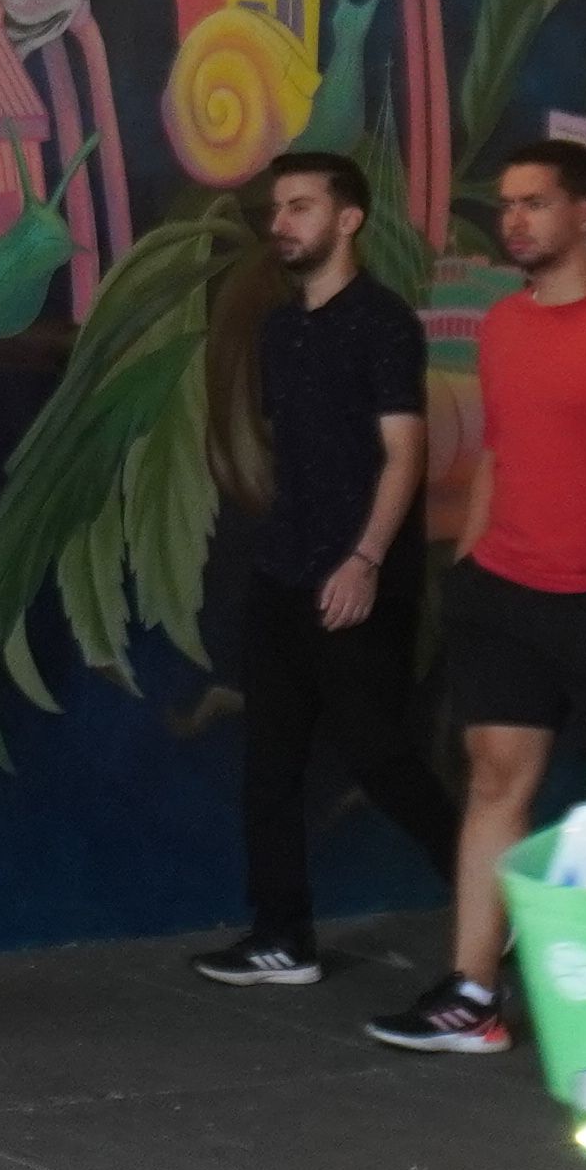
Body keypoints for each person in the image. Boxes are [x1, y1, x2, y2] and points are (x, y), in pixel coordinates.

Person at [373, 133, 586, 1057]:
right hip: (507, 597)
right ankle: (473, 996)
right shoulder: (506, 325)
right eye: (508, 206)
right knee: (493, 782)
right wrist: (475, 563)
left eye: (534, 203)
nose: (514, 219)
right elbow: (500, 452)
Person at [201, 148, 458, 989]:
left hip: (360, 579)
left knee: (380, 755)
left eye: (301, 207)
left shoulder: (383, 323)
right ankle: (283, 937)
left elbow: (403, 455)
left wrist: (365, 561)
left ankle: (496, 902)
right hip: (283, 571)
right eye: (277, 209)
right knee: (268, 764)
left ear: (347, 220)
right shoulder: (281, 329)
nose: (281, 223)